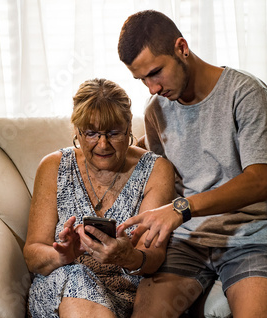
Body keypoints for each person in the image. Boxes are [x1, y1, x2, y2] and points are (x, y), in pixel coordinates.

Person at [117, 10, 267, 318]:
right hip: (188, 241)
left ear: (181, 48)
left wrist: (181, 209)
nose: (152, 88)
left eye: (155, 72)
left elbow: (259, 182)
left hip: (253, 236)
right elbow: (163, 177)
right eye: (142, 79)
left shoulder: (246, 93)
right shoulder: (155, 111)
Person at [23, 78, 175, 318]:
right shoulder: (54, 166)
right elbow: (32, 255)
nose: (102, 145)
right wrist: (62, 255)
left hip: (125, 296)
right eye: (92, 133)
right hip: (59, 291)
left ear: (128, 130)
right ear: (77, 131)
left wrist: (128, 256)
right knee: (76, 276)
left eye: (113, 133)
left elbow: (154, 258)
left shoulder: (156, 170)